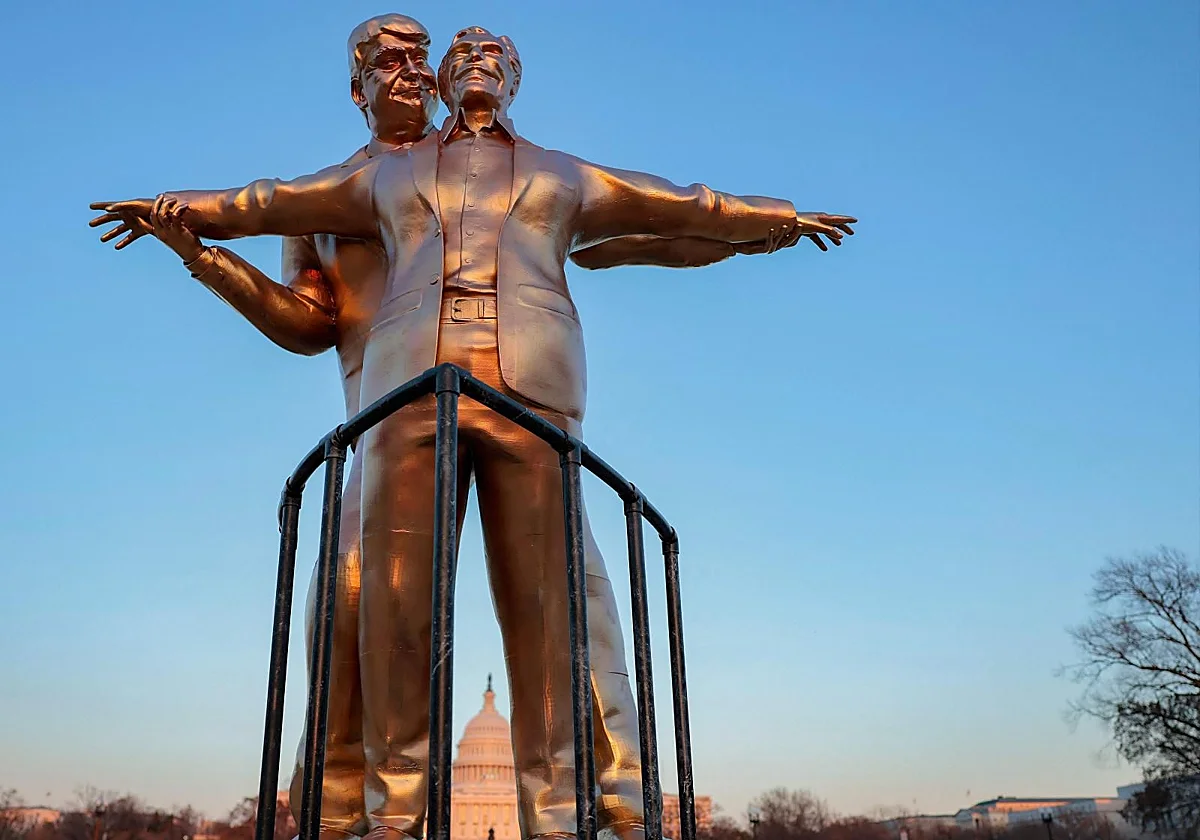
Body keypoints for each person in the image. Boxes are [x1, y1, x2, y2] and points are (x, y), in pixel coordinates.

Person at [92, 25, 854, 840]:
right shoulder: (358, 188)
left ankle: (587, 809)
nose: (415, 72)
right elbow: (279, 242)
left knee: (562, 603)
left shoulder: (548, 170)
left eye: (426, 58)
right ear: (359, 86)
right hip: (394, 401)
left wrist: (772, 224)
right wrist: (190, 235)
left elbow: (669, 212)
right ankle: (371, 814)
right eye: (393, 61)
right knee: (367, 608)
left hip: (529, 386)